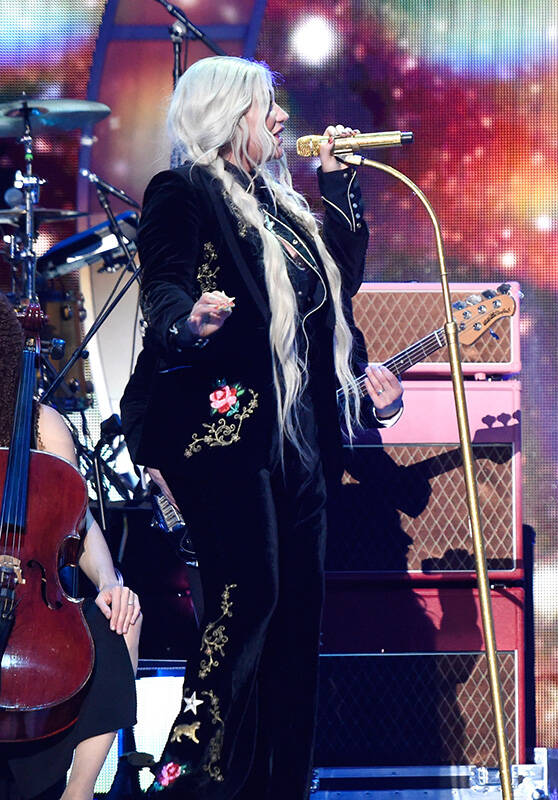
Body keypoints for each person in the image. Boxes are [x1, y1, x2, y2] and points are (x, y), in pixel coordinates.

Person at [127, 56, 402, 797]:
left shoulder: (282, 207)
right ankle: (193, 778)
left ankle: (280, 784)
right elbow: (164, 278)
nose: (281, 118)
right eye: (266, 106)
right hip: (222, 435)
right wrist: (184, 319)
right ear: (227, 116)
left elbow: (337, 286)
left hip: (299, 442)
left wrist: (340, 184)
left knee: (295, 620)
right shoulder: (184, 191)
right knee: (246, 600)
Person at [0, 296, 142, 800]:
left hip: (35, 600)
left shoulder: (42, 424)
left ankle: (78, 793)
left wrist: (109, 582)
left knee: (120, 617)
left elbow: (74, 521)